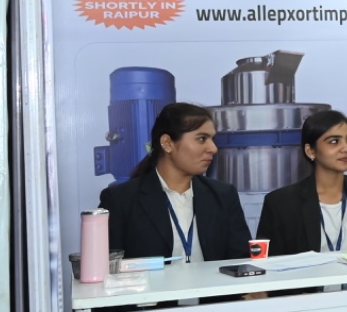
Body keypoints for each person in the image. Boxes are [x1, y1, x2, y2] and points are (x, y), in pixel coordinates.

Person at [100, 102, 252, 261]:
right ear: (167, 143)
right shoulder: (121, 200)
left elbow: (241, 262)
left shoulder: (223, 195)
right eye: (201, 139)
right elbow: (107, 266)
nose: (213, 148)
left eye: (212, 139)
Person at [257, 110, 347, 255]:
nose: (346, 148)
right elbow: (269, 263)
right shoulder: (281, 204)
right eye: (334, 142)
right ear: (310, 151)